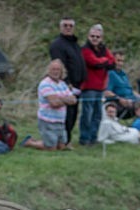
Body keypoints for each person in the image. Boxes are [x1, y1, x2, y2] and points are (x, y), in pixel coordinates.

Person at [21, 59, 78, 150]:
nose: (55, 72)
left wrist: (60, 99)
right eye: (53, 69)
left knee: (61, 147)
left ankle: (40, 141)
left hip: (60, 120)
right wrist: (66, 99)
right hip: (48, 120)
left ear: (61, 71)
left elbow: (74, 100)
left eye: (58, 69)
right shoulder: (45, 84)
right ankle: (30, 142)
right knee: (51, 148)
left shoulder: (62, 84)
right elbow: (54, 103)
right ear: (49, 70)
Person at [49, 17, 86, 145]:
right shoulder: (57, 45)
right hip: (65, 85)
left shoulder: (75, 44)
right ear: (60, 27)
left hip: (78, 85)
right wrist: (66, 84)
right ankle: (63, 141)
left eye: (71, 25)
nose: (68, 28)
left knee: (73, 114)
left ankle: (66, 140)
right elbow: (58, 66)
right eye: (65, 25)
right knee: (66, 115)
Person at [79, 24, 115, 146]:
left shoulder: (104, 49)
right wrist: (104, 60)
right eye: (92, 36)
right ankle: (84, 138)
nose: (95, 38)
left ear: (101, 38)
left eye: (97, 37)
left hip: (100, 87)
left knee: (97, 115)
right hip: (88, 86)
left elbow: (112, 62)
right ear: (88, 36)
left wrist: (103, 61)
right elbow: (94, 62)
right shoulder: (85, 49)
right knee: (87, 115)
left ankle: (93, 138)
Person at [104, 50, 140, 118]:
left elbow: (129, 89)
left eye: (122, 61)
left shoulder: (124, 74)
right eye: (118, 61)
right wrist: (120, 99)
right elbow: (107, 92)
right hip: (122, 102)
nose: (120, 63)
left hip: (133, 98)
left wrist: (139, 96)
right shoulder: (110, 74)